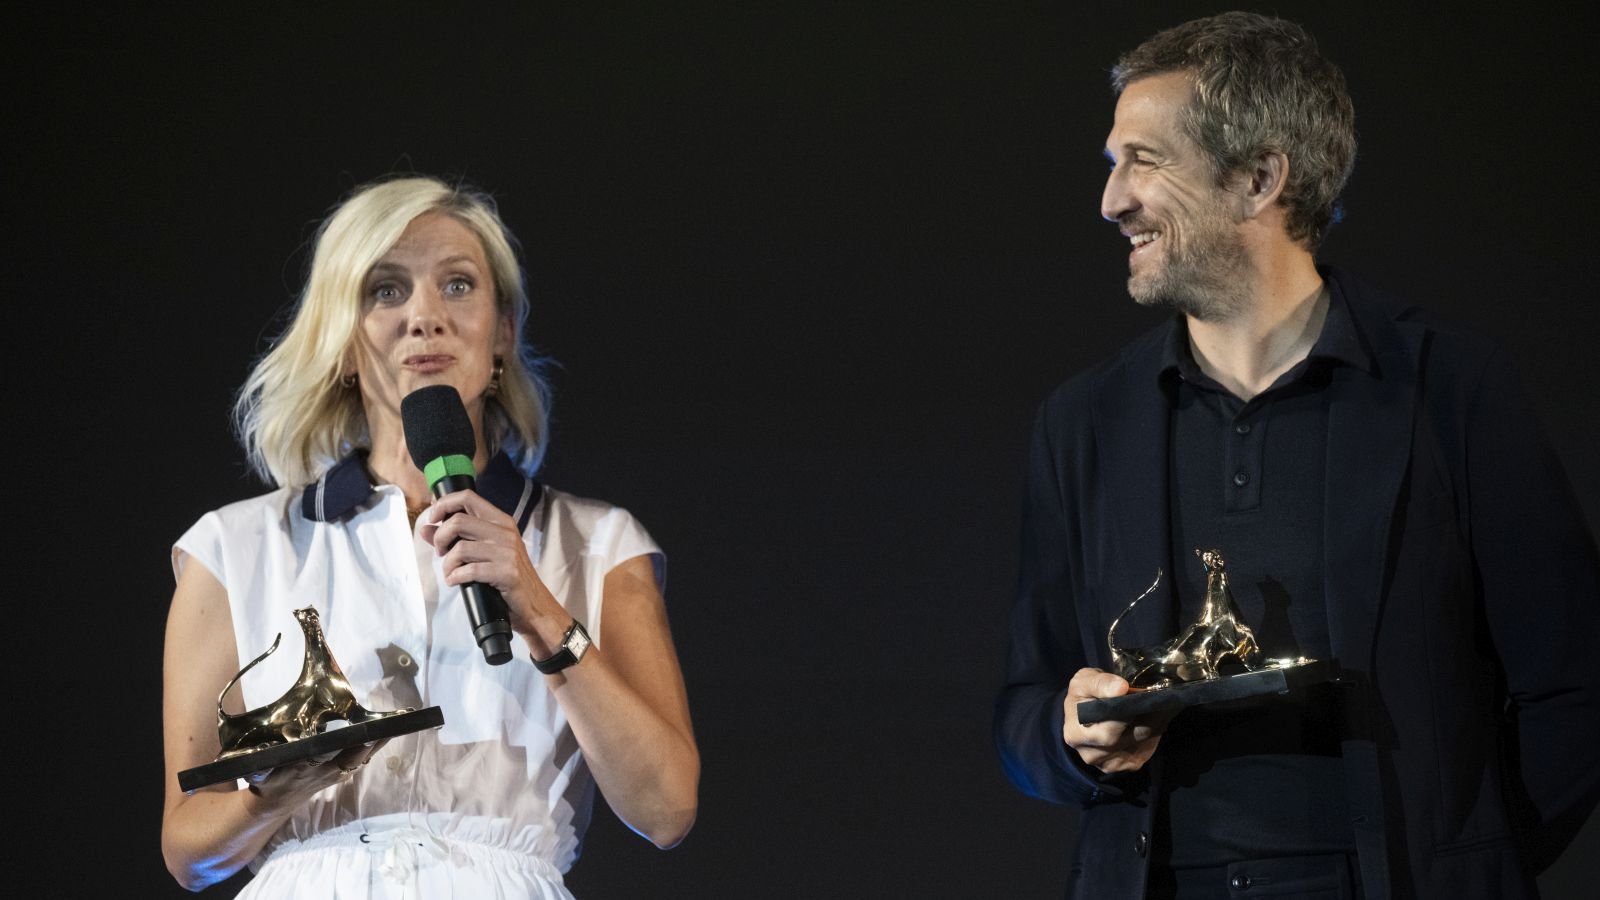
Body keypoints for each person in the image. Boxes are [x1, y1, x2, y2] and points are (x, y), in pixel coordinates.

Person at [992, 11, 1599, 899]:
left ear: (1258, 177)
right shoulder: (1082, 424)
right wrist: (1069, 735)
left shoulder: (1446, 388)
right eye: (1111, 164)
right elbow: (1023, 713)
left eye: (1144, 161)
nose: (1112, 200)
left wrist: (1467, 860)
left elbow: (1577, 687)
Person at [161, 175, 699, 897]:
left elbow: (666, 809)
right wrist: (275, 793)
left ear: (502, 331)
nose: (424, 317)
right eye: (385, 290)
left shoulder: (597, 543)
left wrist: (537, 607)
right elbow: (186, 850)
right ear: (343, 341)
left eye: (457, 285)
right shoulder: (237, 547)